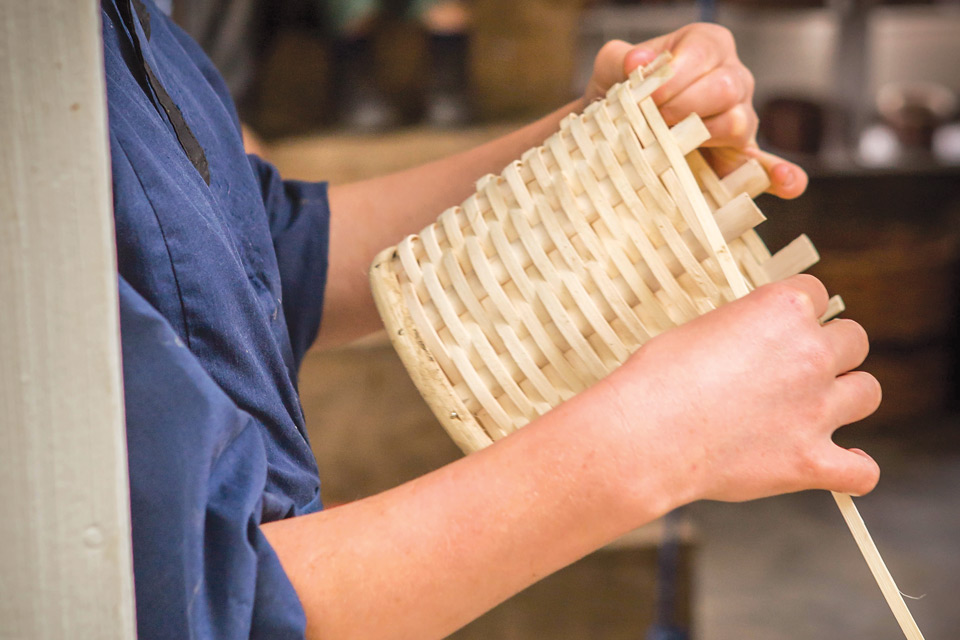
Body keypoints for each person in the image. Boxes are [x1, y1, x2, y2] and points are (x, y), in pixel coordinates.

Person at [104, 1, 882, 639]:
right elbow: (216, 604)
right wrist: (662, 437)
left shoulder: (129, 24)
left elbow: (264, 247)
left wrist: (587, 139)